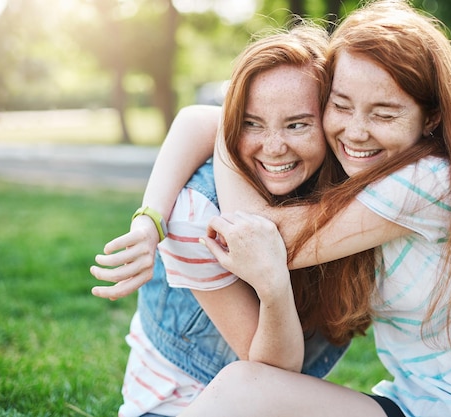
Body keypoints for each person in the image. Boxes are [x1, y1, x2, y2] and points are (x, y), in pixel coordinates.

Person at [169, 1, 451, 416]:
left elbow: (263, 236)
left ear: (431, 117)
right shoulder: (367, 178)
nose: (355, 133)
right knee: (248, 389)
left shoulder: (430, 179)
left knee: (244, 389)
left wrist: (227, 135)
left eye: (384, 114)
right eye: (340, 106)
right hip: (417, 404)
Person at [90, 24, 351, 417]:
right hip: (180, 404)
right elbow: (268, 379)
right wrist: (149, 221)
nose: (274, 147)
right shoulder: (200, 214)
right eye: (252, 123)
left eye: (298, 124)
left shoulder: (345, 190)